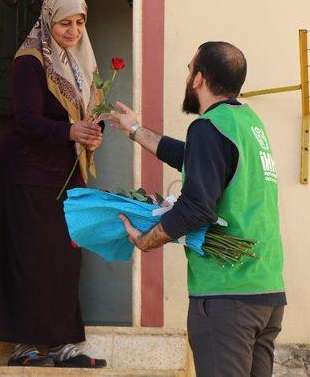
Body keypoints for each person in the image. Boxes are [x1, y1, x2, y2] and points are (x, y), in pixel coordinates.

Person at [110, 42, 286, 377]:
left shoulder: (208, 128)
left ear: (199, 79)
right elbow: (194, 158)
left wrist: (146, 241)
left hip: (227, 296)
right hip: (266, 293)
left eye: (190, 68)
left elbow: (197, 208)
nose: (189, 75)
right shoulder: (248, 123)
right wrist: (134, 130)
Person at [0, 0, 107, 368]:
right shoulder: (30, 61)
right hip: (25, 175)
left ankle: (62, 343)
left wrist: (93, 130)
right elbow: (25, 119)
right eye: (65, 22)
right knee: (29, 258)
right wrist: (69, 132)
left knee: (63, 259)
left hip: (64, 176)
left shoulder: (78, 66)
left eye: (79, 22)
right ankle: (23, 345)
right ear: (48, 20)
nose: (73, 30)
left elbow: (87, 116)